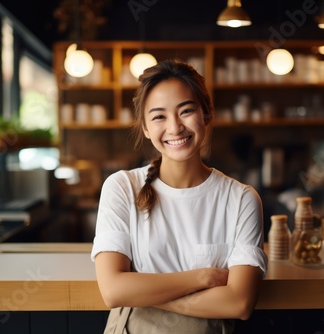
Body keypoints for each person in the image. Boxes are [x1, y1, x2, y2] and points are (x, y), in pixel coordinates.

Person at [91, 59, 267, 333]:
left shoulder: (241, 199)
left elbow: (240, 302)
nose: (175, 128)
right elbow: (113, 291)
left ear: (207, 114)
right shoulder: (122, 187)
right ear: (146, 128)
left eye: (186, 111)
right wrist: (203, 277)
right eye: (159, 116)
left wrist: (142, 292)